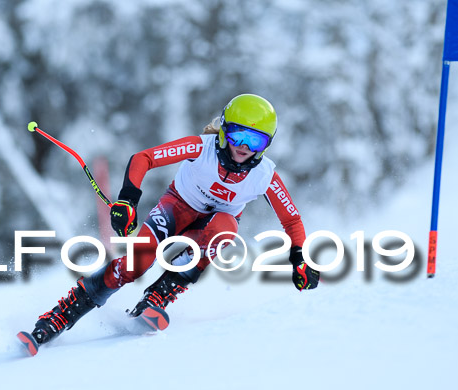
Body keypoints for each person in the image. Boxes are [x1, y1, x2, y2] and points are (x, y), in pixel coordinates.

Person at [30, 94, 320, 346]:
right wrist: (127, 201)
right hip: (177, 208)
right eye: (237, 135)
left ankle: (157, 298)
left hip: (213, 226)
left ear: (266, 144)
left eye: (254, 140)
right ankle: (61, 315)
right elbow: (143, 158)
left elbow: (292, 220)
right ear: (223, 131)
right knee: (136, 263)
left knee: (224, 230)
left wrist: (300, 259)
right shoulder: (200, 148)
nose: (243, 147)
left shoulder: (264, 175)